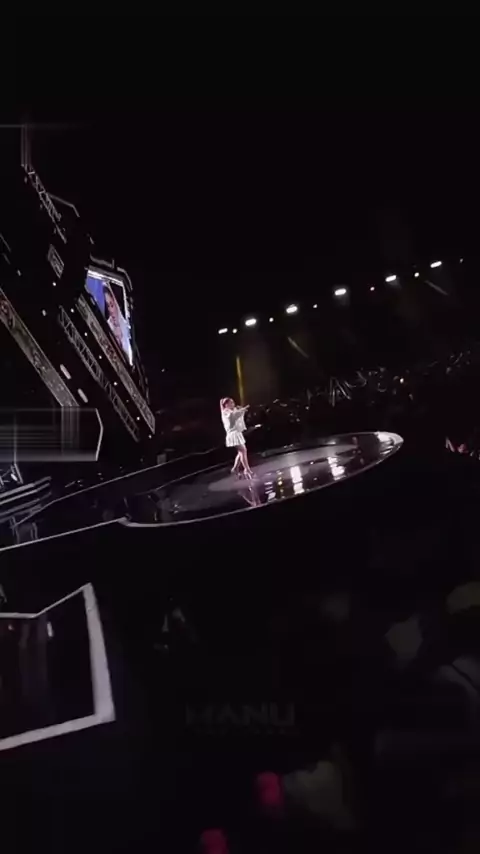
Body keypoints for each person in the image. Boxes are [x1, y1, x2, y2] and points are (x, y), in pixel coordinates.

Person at [220, 397, 253, 476]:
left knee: (241, 451)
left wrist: (242, 410)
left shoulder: (232, 410)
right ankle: (247, 469)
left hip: (237, 433)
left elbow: (238, 416)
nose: (233, 404)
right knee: (243, 450)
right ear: (226, 404)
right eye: (231, 403)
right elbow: (233, 417)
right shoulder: (226, 412)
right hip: (233, 434)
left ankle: (235, 468)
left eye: (233, 402)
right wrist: (241, 410)